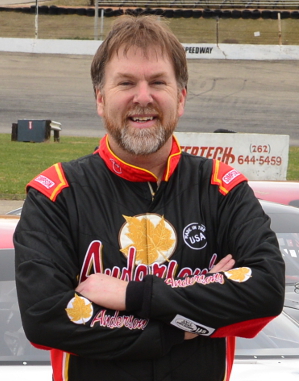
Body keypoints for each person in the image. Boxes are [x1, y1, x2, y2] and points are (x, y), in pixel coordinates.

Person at [14, 15, 285, 381]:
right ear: (100, 98)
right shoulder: (56, 194)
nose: (143, 97)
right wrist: (183, 327)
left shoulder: (222, 188)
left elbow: (265, 289)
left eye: (158, 82)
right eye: (126, 83)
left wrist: (133, 295)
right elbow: (46, 318)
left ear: (181, 97)